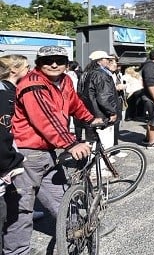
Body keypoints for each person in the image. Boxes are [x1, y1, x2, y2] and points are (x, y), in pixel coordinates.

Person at [3, 46, 102, 255]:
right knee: (21, 209)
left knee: (60, 198)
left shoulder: (64, 80)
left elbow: (74, 104)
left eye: (59, 60)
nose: (54, 64)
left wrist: (90, 118)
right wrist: (72, 143)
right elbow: (46, 120)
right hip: (27, 153)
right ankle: (17, 251)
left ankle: (75, 230)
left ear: (67, 63)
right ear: (39, 63)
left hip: (49, 151)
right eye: (48, 60)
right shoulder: (33, 85)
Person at [0, 55, 27, 250]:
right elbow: (4, 130)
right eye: (27, 66)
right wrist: (12, 161)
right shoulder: (5, 94)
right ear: (14, 70)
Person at [77, 51, 119, 150]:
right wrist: (112, 112)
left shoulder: (85, 73)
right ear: (100, 61)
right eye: (107, 59)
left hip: (88, 112)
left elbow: (80, 93)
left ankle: (90, 162)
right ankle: (101, 164)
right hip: (101, 114)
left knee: (91, 140)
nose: (109, 61)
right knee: (105, 141)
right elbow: (104, 96)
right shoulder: (100, 74)